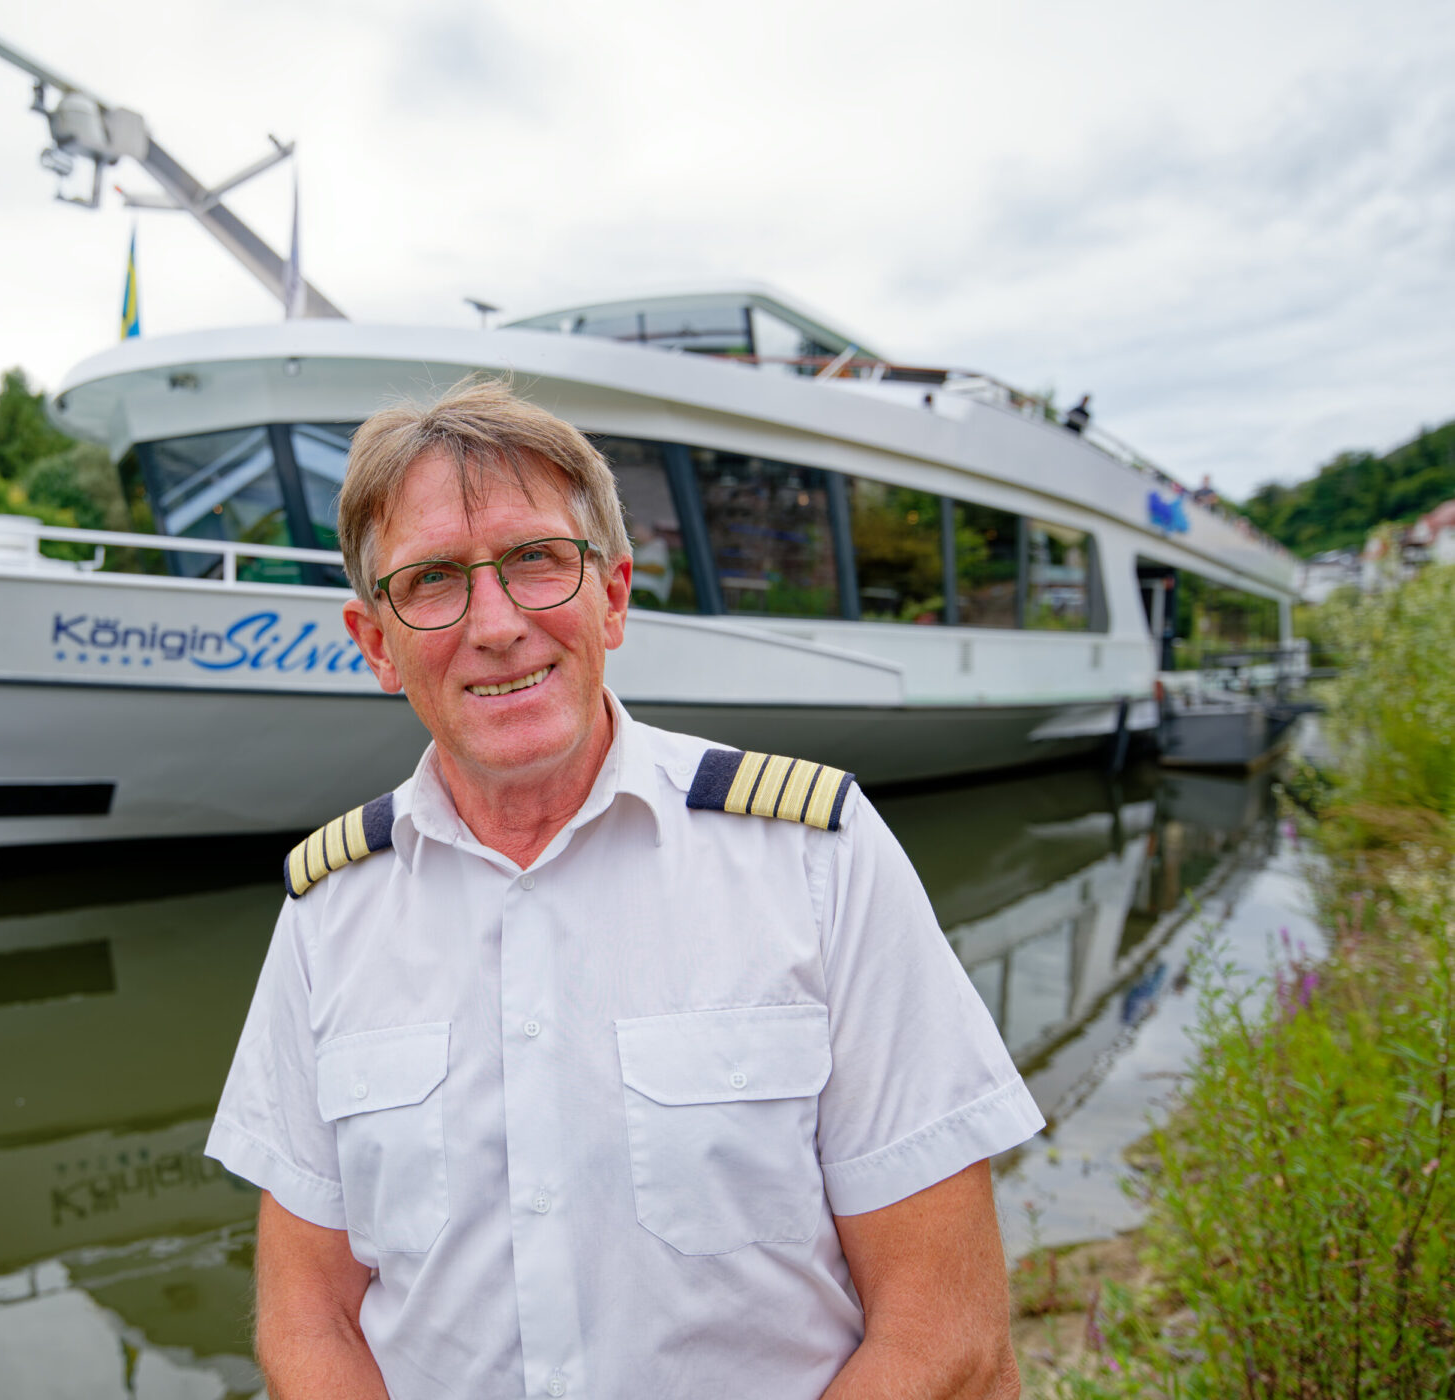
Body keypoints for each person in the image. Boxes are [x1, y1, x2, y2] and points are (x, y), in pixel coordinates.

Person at [204, 378, 1042, 1399]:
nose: (499, 622)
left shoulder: (815, 855)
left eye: (537, 561)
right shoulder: (328, 911)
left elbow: (943, 1330)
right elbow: (311, 1317)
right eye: (431, 580)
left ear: (612, 596)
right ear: (376, 641)